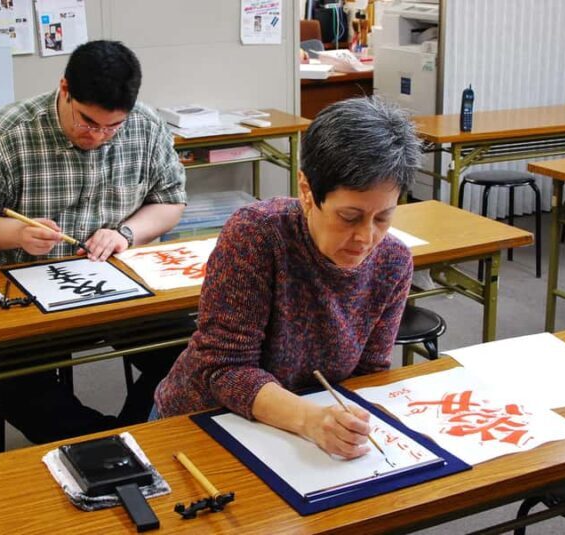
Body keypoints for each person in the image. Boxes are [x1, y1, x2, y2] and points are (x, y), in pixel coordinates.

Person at [0, 40, 191, 444]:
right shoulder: (9, 132)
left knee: (191, 356)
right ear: (64, 89)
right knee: (11, 385)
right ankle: (108, 444)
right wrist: (17, 233)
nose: (99, 136)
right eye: (88, 122)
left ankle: (134, 438)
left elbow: (170, 201)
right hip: (23, 297)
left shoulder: (145, 125)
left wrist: (125, 233)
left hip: (116, 286)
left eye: (113, 127)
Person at [154, 97, 421, 459]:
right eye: (349, 216)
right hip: (207, 423)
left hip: (307, 437)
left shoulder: (393, 261)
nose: (366, 238)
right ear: (307, 191)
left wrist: (349, 423)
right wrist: (311, 420)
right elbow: (224, 368)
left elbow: (368, 373)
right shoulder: (258, 234)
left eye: (383, 218)